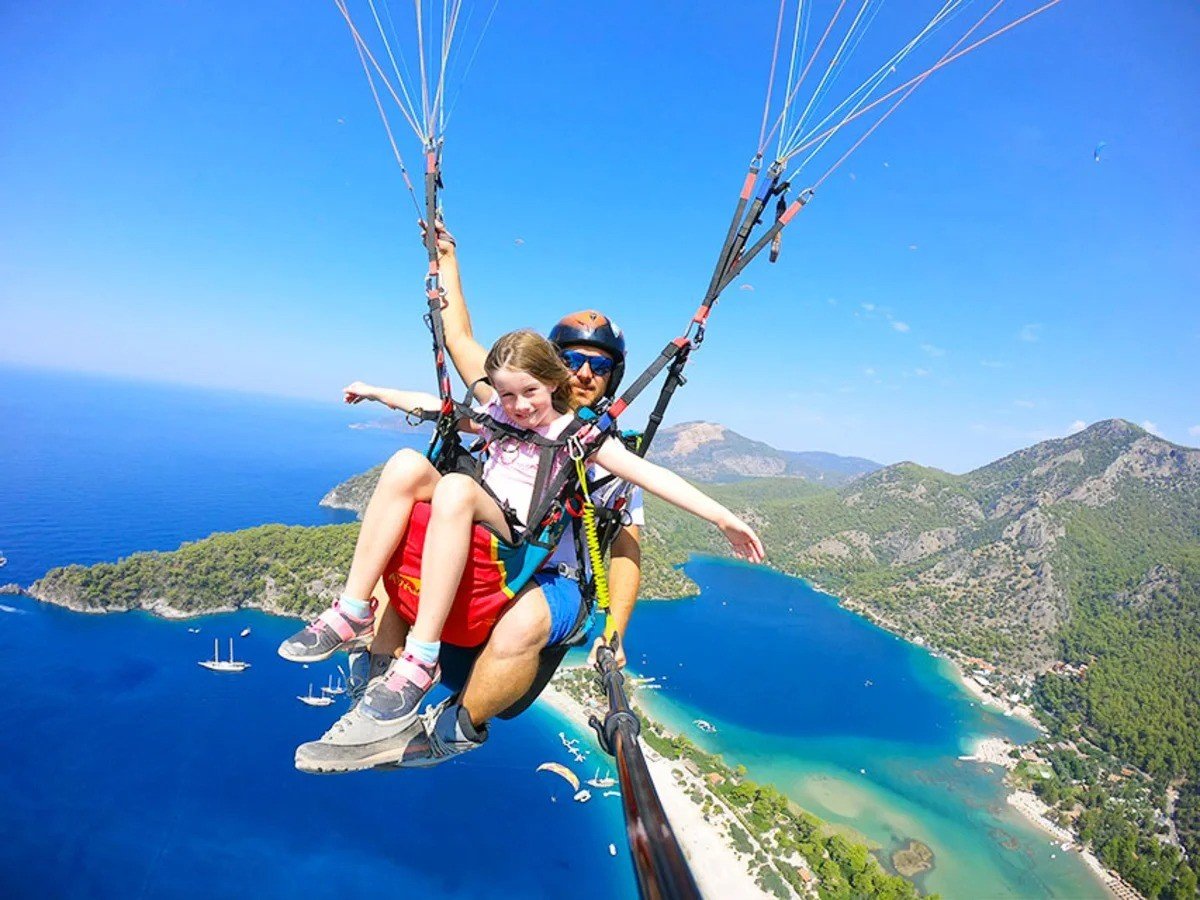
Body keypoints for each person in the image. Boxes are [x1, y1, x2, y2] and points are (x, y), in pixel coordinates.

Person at [288, 232, 765, 774]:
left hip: (558, 576)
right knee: (420, 548)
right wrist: (448, 261)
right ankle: (376, 690)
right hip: (489, 545)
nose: (586, 372)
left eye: (600, 364)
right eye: (574, 359)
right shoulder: (509, 405)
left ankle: (452, 730)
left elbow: (629, 543)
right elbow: (461, 340)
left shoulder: (604, 450)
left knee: (518, 622)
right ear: (551, 367)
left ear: (613, 375)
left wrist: (617, 630)